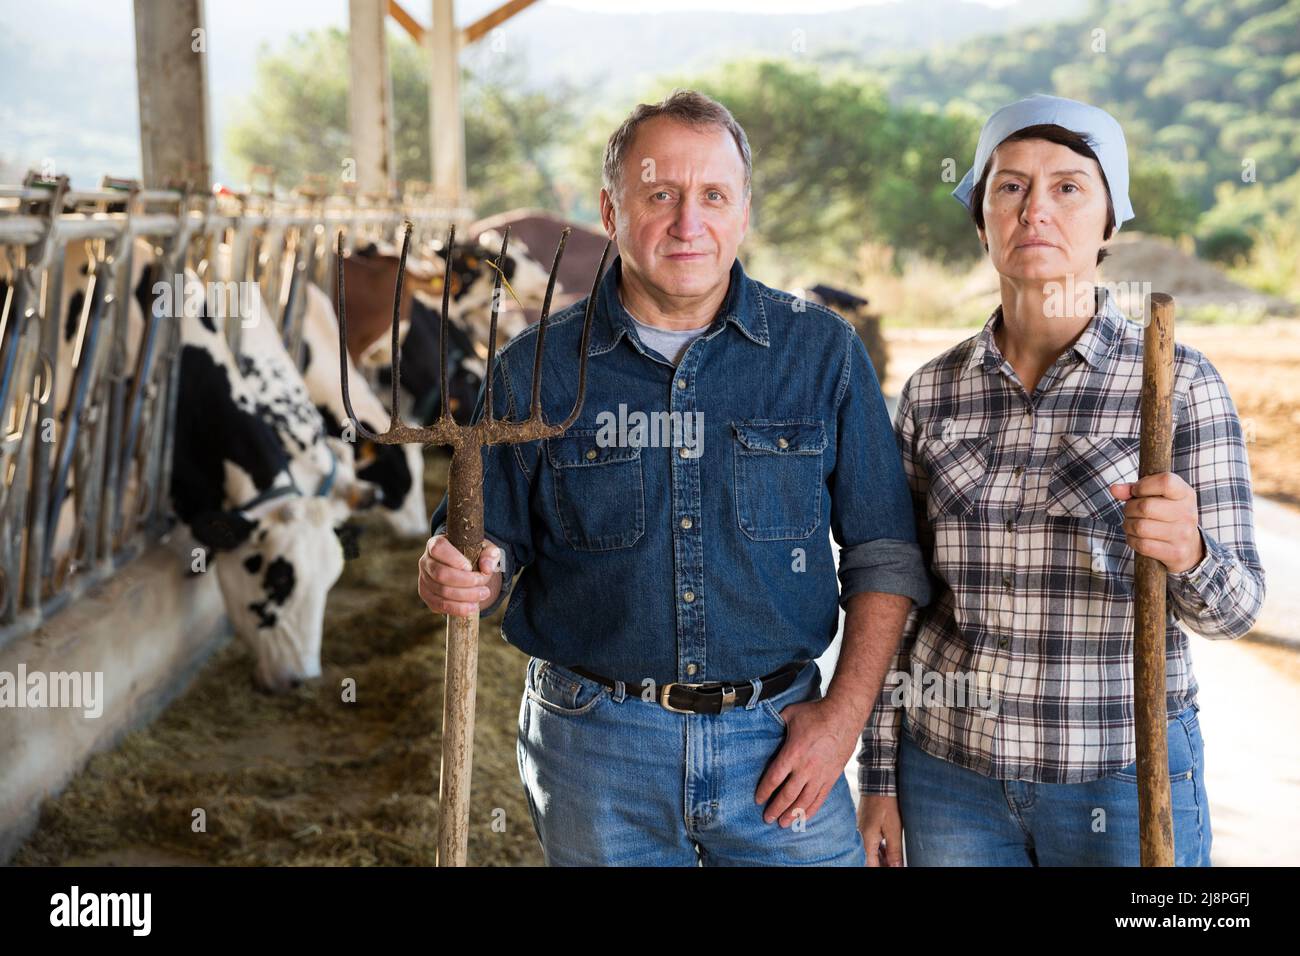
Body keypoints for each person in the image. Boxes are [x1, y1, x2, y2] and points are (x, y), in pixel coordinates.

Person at [420, 89, 930, 866]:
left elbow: (884, 552)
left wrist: (843, 720)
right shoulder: (535, 370)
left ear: (744, 211)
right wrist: (461, 573)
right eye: (660, 195)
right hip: (595, 747)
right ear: (612, 210)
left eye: (713, 196)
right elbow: (484, 545)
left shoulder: (822, 354)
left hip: (781, 742)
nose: (689, 223)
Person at [856, 93, 1265, 867]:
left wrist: (1189, 553)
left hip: (1122, 775)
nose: (1034, 209)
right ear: (981, 218)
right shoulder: (932, 392)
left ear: (1110, 220)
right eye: (1008, 186)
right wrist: (878, 776)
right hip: (950, 780)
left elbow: (1238, 609)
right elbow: (895, 597)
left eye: (1069, 187)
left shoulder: (1177, 383)